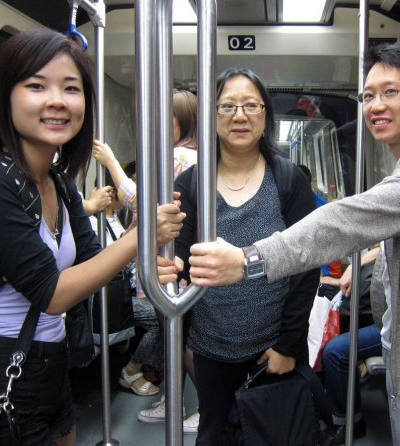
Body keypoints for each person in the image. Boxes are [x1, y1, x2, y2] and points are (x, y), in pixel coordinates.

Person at [187, 43, 400, 445]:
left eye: (390, 93)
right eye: (368, 96)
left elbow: (344, 222)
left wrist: (249, 260)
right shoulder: (192, 181)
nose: (375, 106)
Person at [0, 29, 184, 446]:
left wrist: (148, 239)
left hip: (53, 362)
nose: (57, 101)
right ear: (5, 96)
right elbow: (51, 293)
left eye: (71, 88)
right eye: (36, 86)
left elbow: (93, 260)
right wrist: (141, 239)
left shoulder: (59, 182)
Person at [171, 67, 319, 445]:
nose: (239, 115)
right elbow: (179, 261)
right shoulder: (190, 185)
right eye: (228, 106)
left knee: (272, 434)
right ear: (212, 116)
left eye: (251, 106)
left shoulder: (287, 181)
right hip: (209, 349)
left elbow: (305, 266)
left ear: (265, 116)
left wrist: (287, 345)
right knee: (215, 434)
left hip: (271, 350)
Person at [93, 88, 201, 433]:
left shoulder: (179, 157)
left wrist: (110, 161)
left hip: (166, 263)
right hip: (173, 260)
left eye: (164, 117)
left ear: (181, 121)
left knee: (179, 338)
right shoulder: (191, 156)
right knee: (177, 337)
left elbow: (141, 204)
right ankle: (175, 401)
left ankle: (209, 405)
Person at [88, 172, 162, 397]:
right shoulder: (93, 222)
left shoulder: (114, 220)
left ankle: (148, 364)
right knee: (156, 320)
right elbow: (104, 260)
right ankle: (132, 371)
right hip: (107, 292)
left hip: (124, 288)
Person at [321, 246, 382, 444]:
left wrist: (354, 267)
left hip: (392, 322)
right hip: (379, 312)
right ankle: (330, 403)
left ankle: (350, 422)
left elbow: (384, 248)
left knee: (335, 351)